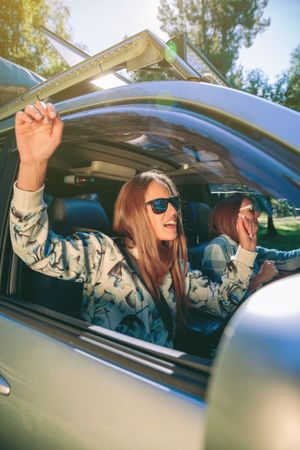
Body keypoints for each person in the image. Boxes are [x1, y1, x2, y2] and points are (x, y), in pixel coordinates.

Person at [10, 101, 258, 348]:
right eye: (160, 205)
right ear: (135, 213)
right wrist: (33, 163)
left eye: (174, 202)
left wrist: (246, 248)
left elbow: (222, 302)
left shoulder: (176, 266)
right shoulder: (101, 253)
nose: (173, 210)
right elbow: (34, 248)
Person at [202, 196, 300, 293]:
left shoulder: (245, 246)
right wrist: (259, 279)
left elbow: (285, 259)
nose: (258, 214)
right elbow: (225, 301)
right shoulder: (217, 248)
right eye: (251, 210)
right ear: (234, 217)